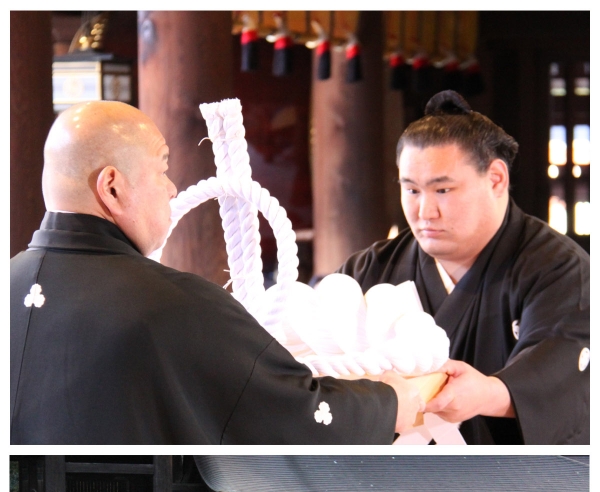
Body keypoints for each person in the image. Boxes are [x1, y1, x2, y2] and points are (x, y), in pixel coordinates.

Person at [10, 100, 423, 445]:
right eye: (162, 169)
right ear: (112, 187)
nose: (172, 188)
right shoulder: (173, 305)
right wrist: (393, 401)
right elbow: (296, 414)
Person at [339, 90, 589, 444]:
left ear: (496, 179)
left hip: (512, 488)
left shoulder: (559, 269)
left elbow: (563, 372)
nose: (425, 212)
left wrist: (487, 392)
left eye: (443, 191)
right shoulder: (370, 269)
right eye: (411, 191)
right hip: (384, 483)